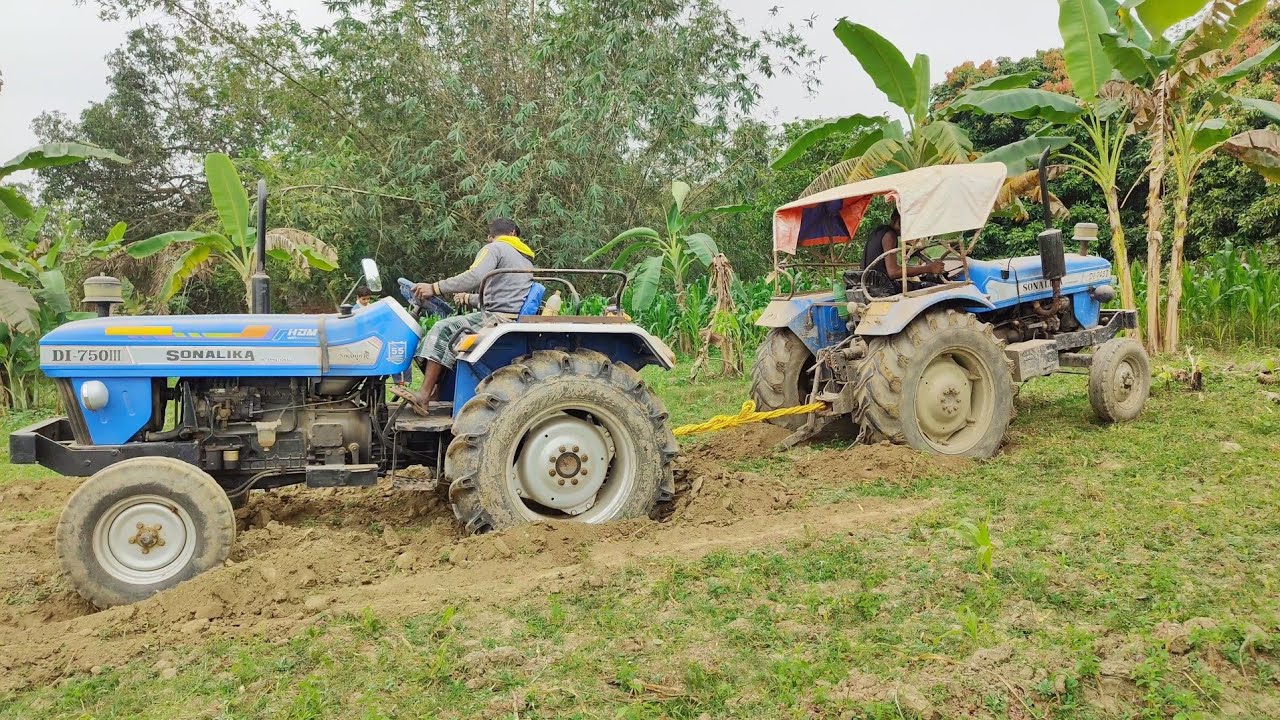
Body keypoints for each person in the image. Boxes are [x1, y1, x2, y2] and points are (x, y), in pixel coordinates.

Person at [400, 218, 534, 412]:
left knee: (442, 329)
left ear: (490, 237)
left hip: (496, 318)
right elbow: (504, 295)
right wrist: (468, 298)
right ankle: (438, 392)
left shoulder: (495, 248)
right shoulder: (524, 257)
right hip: (506, 314)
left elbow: (474, 276)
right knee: (451, 334)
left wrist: (434, 288)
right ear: (514, 233)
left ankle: (424, 395)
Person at [861, 208, 945, 295]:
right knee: (934, 287)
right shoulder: (890, 236)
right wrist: (928, 268)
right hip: (885, 288)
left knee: (914, 283)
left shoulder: (878, 231)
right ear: (898, 220)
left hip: (872, 284)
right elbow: (893, 272)